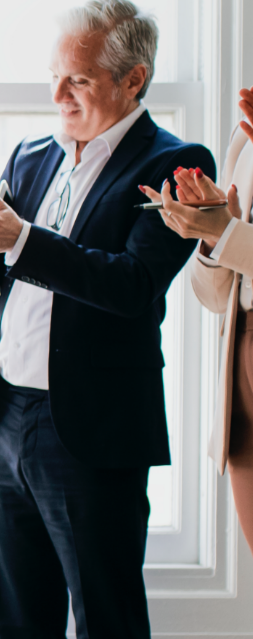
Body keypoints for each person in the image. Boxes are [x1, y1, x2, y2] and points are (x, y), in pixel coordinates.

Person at [0, 0, 214, 637]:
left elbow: (134, 286)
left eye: (79, 79)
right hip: (7, 417)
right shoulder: (31, 156)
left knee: (106, 616)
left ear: (133, 80)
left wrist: (24, 241)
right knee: (21, 617)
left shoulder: (173, 164)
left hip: (93, 428)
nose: (58, 93)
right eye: (56, 75)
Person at [151, 87, 253, 556]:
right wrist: (211, 236)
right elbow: (215, 296)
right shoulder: (244, 137)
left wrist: (226, 233)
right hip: (243, 361)